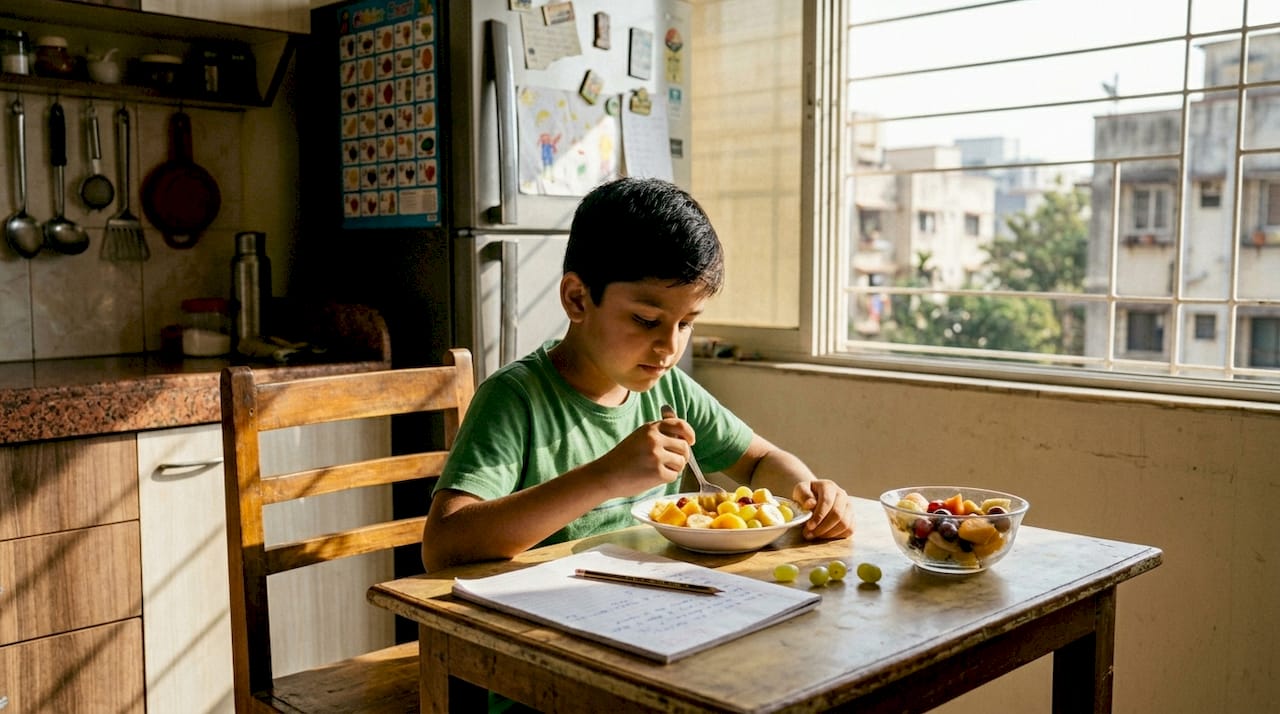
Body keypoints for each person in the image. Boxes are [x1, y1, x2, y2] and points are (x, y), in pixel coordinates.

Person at [421, 177, 854, 573]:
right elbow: (444, 544)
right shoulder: (515, 399)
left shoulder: (668, 390)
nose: (669, 347)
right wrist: (605, 476)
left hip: (647, 608)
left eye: (686, 323)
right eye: (647, 321)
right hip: (539, 622)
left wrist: (810, 495)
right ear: (577, 299)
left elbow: (760, 461)